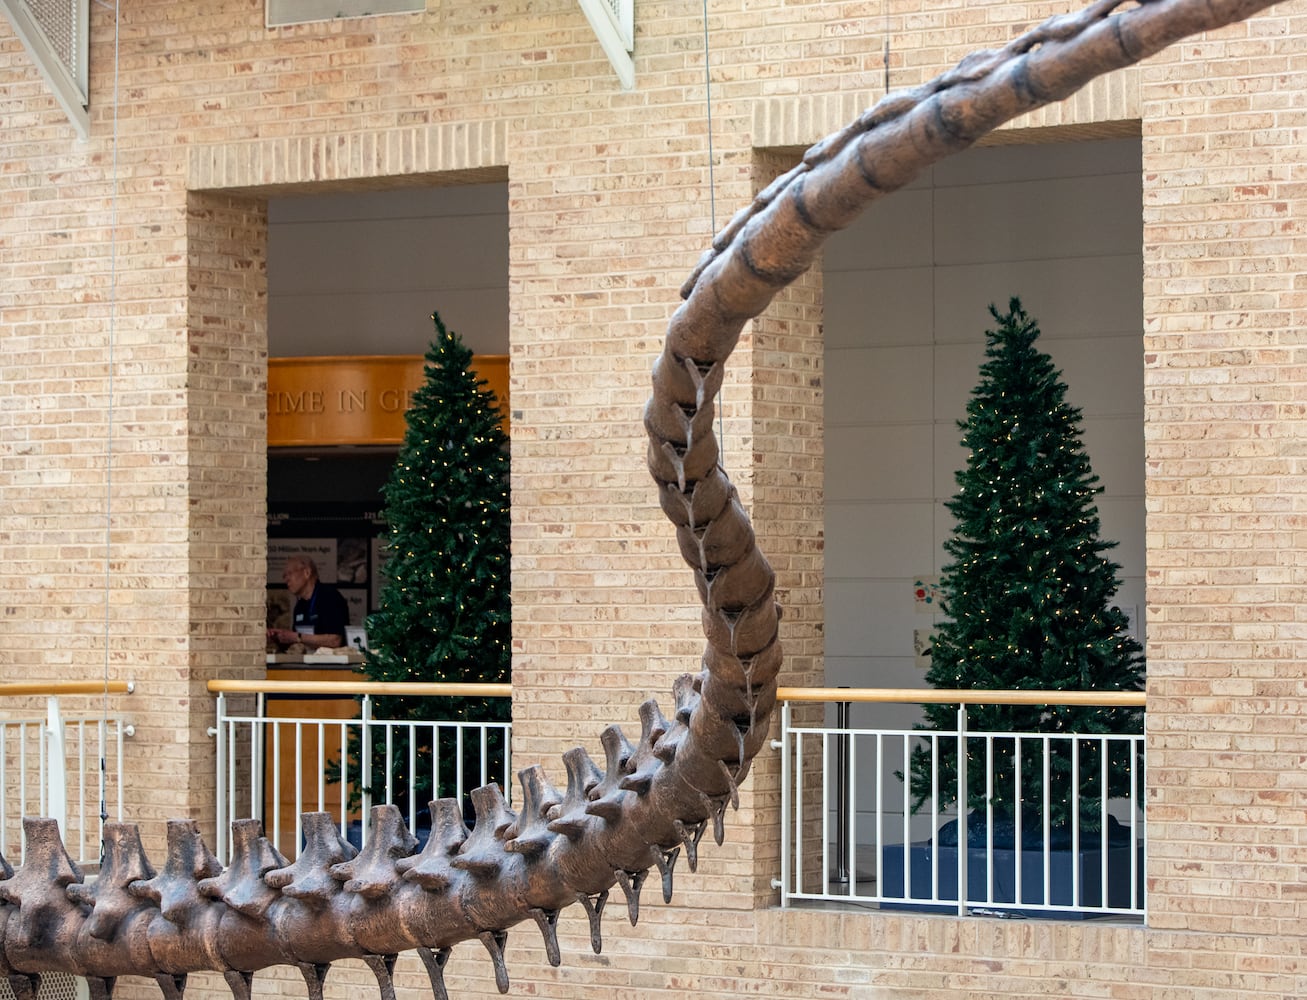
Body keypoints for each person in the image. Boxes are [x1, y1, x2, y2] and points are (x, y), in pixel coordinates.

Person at [266, 555, 349, 650]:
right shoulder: (300, 605)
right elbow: (298, 643)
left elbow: (335, 640)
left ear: (307, 572)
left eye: (289, 574)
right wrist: (280, 636)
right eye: (284, 576)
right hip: (307, 662)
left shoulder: (329, 597)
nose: (286, 579)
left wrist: (297, 637)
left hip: (331, 664)